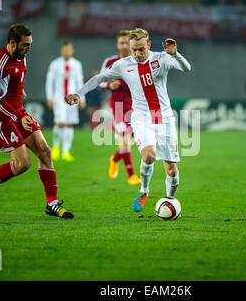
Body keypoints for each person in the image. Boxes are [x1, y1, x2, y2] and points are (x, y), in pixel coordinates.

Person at [66, 28, 191, 213]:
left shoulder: (161, 58)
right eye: (134, 49)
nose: (137, 53)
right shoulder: (123, 64)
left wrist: (176, 54)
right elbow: (99, 78)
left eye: (141, 49)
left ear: (148, 44)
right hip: (140, 116)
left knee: (171, 170)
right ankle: (144, 191)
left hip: (163, 117)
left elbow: (186, 68)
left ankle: (169, 200)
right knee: (149, 155)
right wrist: (79, 93)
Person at [0, 24, 74, 219]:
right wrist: (18, 116)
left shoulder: (21, 56)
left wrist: (19, 91)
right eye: (25, 45)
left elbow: (15, 81)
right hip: (2, 117)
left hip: (18, 112)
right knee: (23, 163)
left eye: (30, 44)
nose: (28, 48)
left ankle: (52, 203)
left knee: (44, 150)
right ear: (12, 43)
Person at [100, 30, 141, 186]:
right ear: (117, 44)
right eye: (121, 42)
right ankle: (132, 175)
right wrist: (110, 84)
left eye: (126, 42)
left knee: (130, 140)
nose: (124, 45)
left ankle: (115, 158)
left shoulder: (137, 61)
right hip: (117, 107)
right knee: (125, 138)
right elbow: (101, 81)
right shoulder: (110, 62)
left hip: (135, 106)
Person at [46, 41, 86, 162]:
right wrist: (50, 98)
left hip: (72, 99)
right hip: (59, 98)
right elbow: (49, 82)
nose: (66, 52)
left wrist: (82, 98)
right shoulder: (55, 64)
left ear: (72, 51)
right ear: (61, 50)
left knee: (69, 124)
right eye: (64, 49)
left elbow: (80, 82)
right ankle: (56, 148)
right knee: (60, 122)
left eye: (69, 49)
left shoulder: (77, 64)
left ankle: (66, 152)